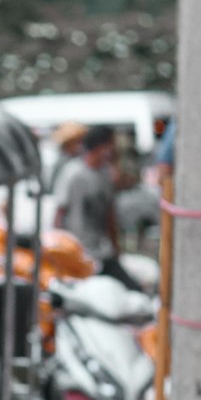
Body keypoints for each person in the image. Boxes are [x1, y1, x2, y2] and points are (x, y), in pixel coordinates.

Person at [54, 124, 143, 291]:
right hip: (78, 251)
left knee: (131, 289)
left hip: (101, 251)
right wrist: (60, 248)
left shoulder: (105, 174)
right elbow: (60, 213)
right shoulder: (73, 174)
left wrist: (115, 246)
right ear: (102, 146)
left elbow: (109, 213)